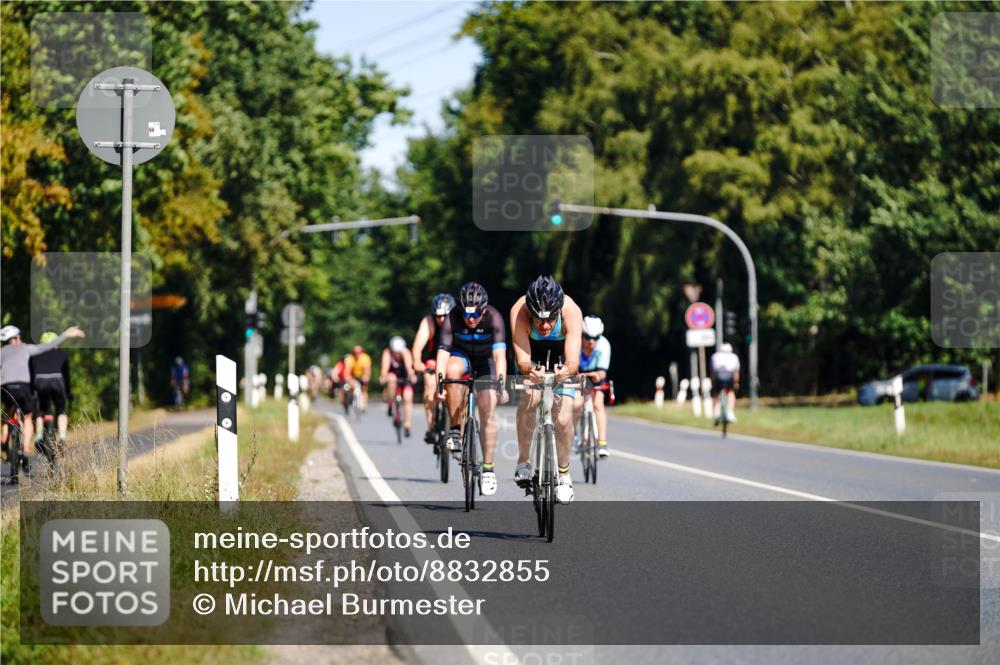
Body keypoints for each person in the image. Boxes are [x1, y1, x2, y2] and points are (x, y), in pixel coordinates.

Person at [510, 275, 583, 504]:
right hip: (532, 355)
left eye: (550, 319)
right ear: (530, 312)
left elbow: (573, 362)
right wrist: (530, 370)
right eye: (539, 320)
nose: (544, 326)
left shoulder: (572, 311)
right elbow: (522, 360)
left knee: (562, 419)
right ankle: (524, 461)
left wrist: (566, 371)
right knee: (530, 397)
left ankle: (564, 474)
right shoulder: (519, 310)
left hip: (562, 356)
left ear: (558, 311)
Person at [434, 282, 509, 496]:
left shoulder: (494, 317)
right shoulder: (452, 318)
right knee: (451, 371)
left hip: (487, 360)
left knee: (488, 411)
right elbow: (442, 355)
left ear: (483, 309)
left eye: (475, 314)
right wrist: (440, 383)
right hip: (462, 356)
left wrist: (500, 384)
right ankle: (456, 429)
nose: (471, 319)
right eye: (467, 315)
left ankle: (488, 469)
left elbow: (499, 356)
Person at [1, 325, 85, 473]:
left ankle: (17, 437)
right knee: (41, 415)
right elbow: (51, 351)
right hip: (40, 386)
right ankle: (41, 445)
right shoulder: (29, 349)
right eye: (18, 337)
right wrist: (66, 334)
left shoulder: (6, 353)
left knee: (21, 412)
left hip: (15, 387)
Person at [412, 293, 456, 443]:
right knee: (430, 385)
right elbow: (418, 344)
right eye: (438, 316)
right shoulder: (428, 322)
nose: (442, 320)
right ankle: (431, 426)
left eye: (445, 316)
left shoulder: (458, 321)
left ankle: (457, 426)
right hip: (433, 360)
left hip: (453, 360)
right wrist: (417, 361)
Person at [30, 331, 73, 459]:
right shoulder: (62, 355)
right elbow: (67, 377)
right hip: (57, 382)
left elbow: (31, 376)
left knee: (40, 411)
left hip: (40, 382)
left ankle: (38, 437)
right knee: (61, 411)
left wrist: (31, 392)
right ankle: (62, 438)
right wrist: (69, 393)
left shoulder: (34, 356)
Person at [573, 315, 612, 458]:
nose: (591, 341)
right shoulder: (575, 343)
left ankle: (602, 442)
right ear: (582, 334)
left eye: (595, 338)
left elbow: (603, 372)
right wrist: (577, 375)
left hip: (596, 376)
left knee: (598, 404)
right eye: (588, 337)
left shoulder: (604, 345)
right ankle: (575, 436)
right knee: (576, 403)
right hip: (578, 376)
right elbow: (571, 368)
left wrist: (597, 376)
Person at [380, 336, 417, 437]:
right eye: (395, 351)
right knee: (391, 380)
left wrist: (412, 376)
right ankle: (391, 403)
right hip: (393, 375)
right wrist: (383, 377)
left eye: (398, 352)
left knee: (408, 397)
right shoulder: (387, 353)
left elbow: (410, 368)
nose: (397, 354)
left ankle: (407, 424)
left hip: (404, 377)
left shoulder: (406, 353)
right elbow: (385, 368)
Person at [710, 342, 740, 424]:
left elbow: (713, 372)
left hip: (719, 378)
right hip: (729, 378)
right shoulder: (734, 357)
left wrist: (713, 383)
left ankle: (716, 412)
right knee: (730, 392)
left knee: (717, 394)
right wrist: (736, 383)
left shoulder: (715, 356)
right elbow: (736, 372)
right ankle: (730, 413)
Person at [344, 345, 372, 409]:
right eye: (355, 353)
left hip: (362, 375)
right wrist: (348, 378)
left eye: (359, 353)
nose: (357, 355)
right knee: (352, 386)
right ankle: (351, 398)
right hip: (353, 376)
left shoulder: (365, 358)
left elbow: (367, 369)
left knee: (364, 388)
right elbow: (347, 371)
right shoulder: (350, 358)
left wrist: (367, 377)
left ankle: (364, 405)